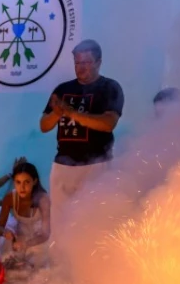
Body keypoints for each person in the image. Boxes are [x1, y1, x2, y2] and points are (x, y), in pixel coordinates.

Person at [39, 39, 124, 227]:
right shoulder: (63, 89)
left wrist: (72, 113)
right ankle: (60, 256)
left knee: (94, 222)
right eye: (77, 63)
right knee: (61, 222)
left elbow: (108, 123)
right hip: (63, 165)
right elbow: (44, 125)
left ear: (98, 62)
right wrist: (57, 113)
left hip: (97, 164)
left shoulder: (110, 88)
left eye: (86, 63)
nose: (80, 68)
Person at [0, 161, 51, 264]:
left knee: (38, 269)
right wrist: (5, 233)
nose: (22, 187)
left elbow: (46, 234)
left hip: (39, 241)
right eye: (18, 182)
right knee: (8, 263)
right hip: (19, 238)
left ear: (35, 181)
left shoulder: (43, 199)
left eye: (26, 182)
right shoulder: (10, 198)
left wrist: (27, 243)